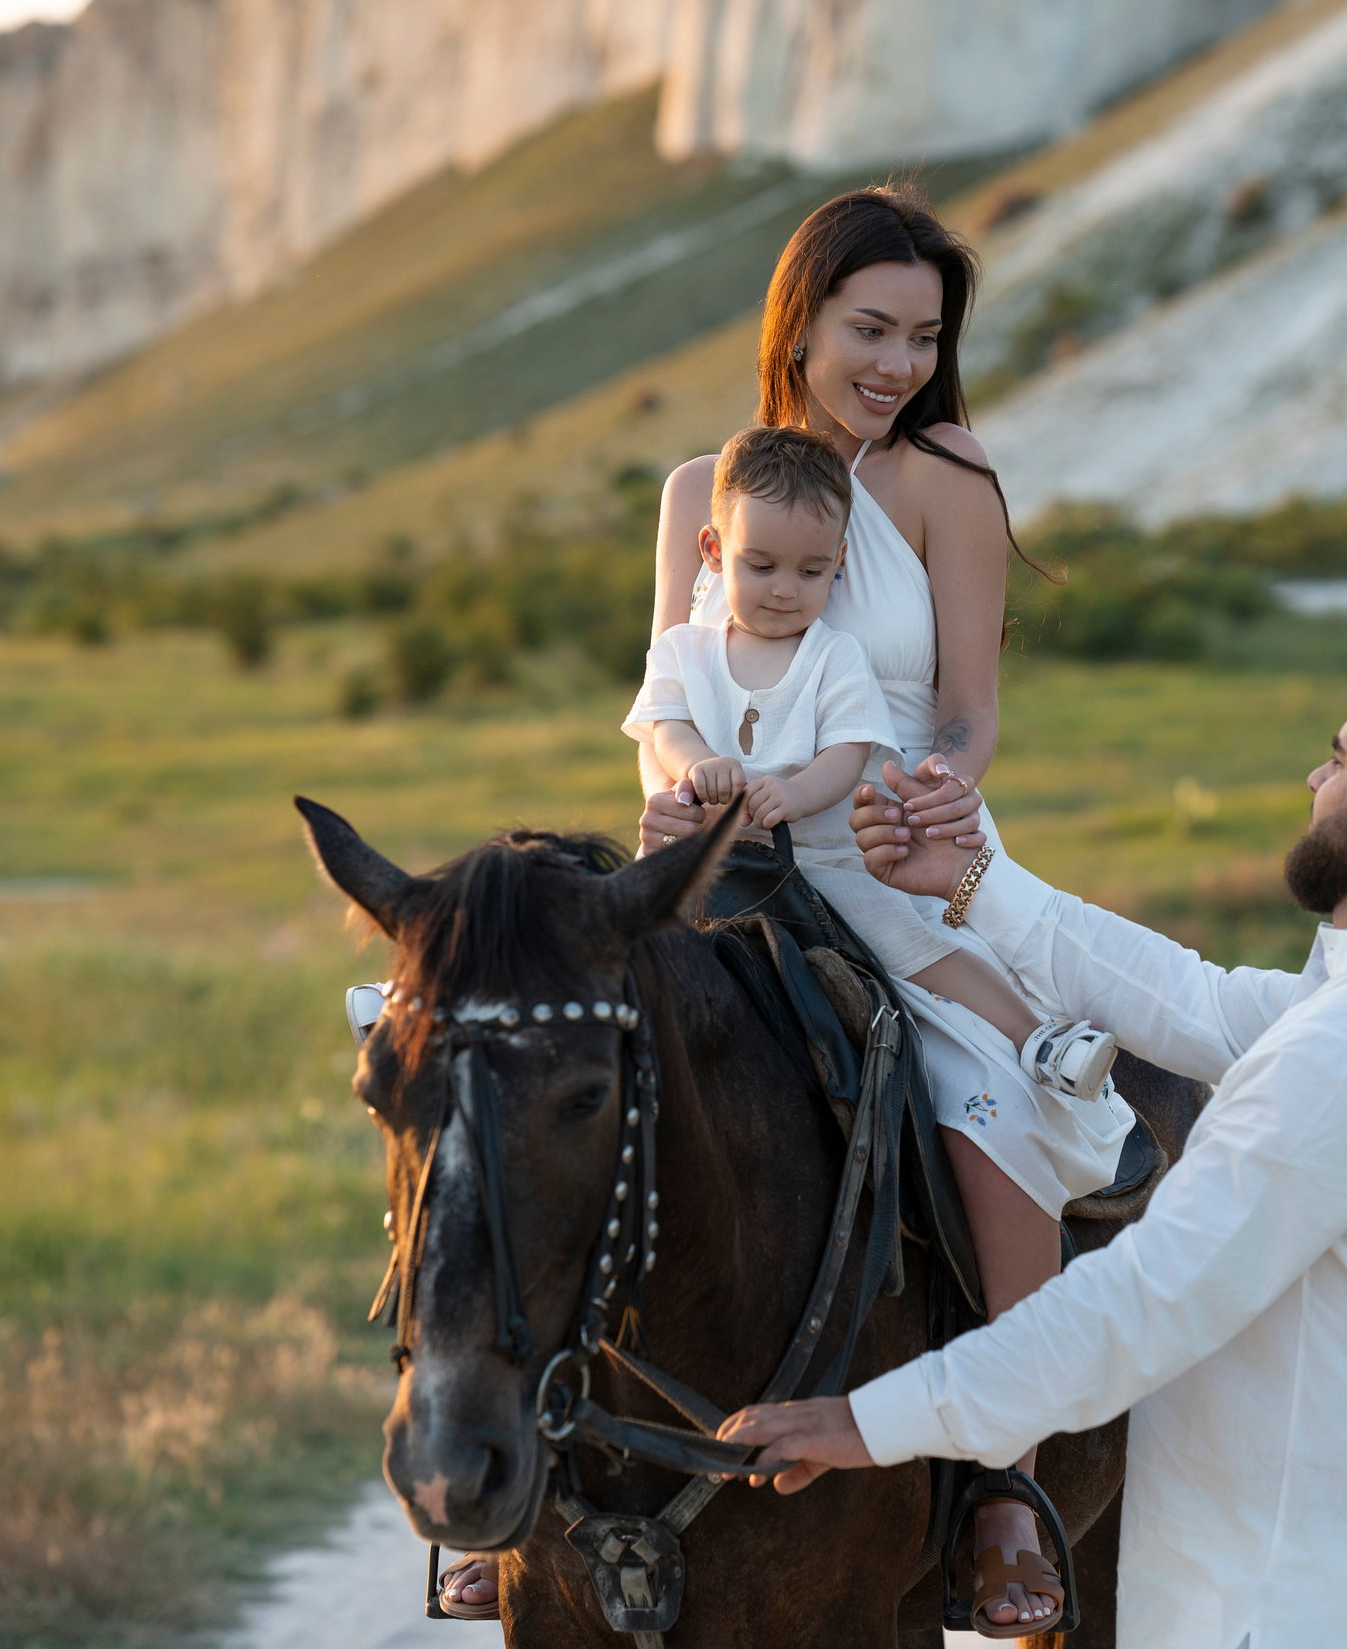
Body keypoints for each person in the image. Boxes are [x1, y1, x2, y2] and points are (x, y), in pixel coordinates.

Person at [445, 186, 1132, 1631]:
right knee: (508, 1077)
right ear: (800, 321)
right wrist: (684, 788)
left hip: (886, 834)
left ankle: (1001, 1475)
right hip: (710, 848)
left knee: (983, 1091)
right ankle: (503, 1472)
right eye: (868, 329)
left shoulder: (950, 473)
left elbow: (964, 707)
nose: (894, 363)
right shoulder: (704, 490)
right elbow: (668, 685)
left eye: (922, 335)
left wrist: (937, 791)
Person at [718, 656, 1347, 1649]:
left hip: (1290, 1603)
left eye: (1337, 762)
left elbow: (1148, 1297)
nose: (1313, 781)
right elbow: (1197, 1001)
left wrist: (866, 1423)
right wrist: (971, 886)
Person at [623, 424, 1120, 1100]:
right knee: (616, 945)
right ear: (713, 551)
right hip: (710, 856)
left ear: (840, 563)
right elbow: (663, 727)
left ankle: (1034, 1034)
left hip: (824, 860)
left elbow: (847, 751)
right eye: (761, 565)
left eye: (810, 570)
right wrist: (697, 766)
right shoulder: (685, 649)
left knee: (909, 943)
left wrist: (796, 796)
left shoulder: (834, 657)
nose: (783, 590)